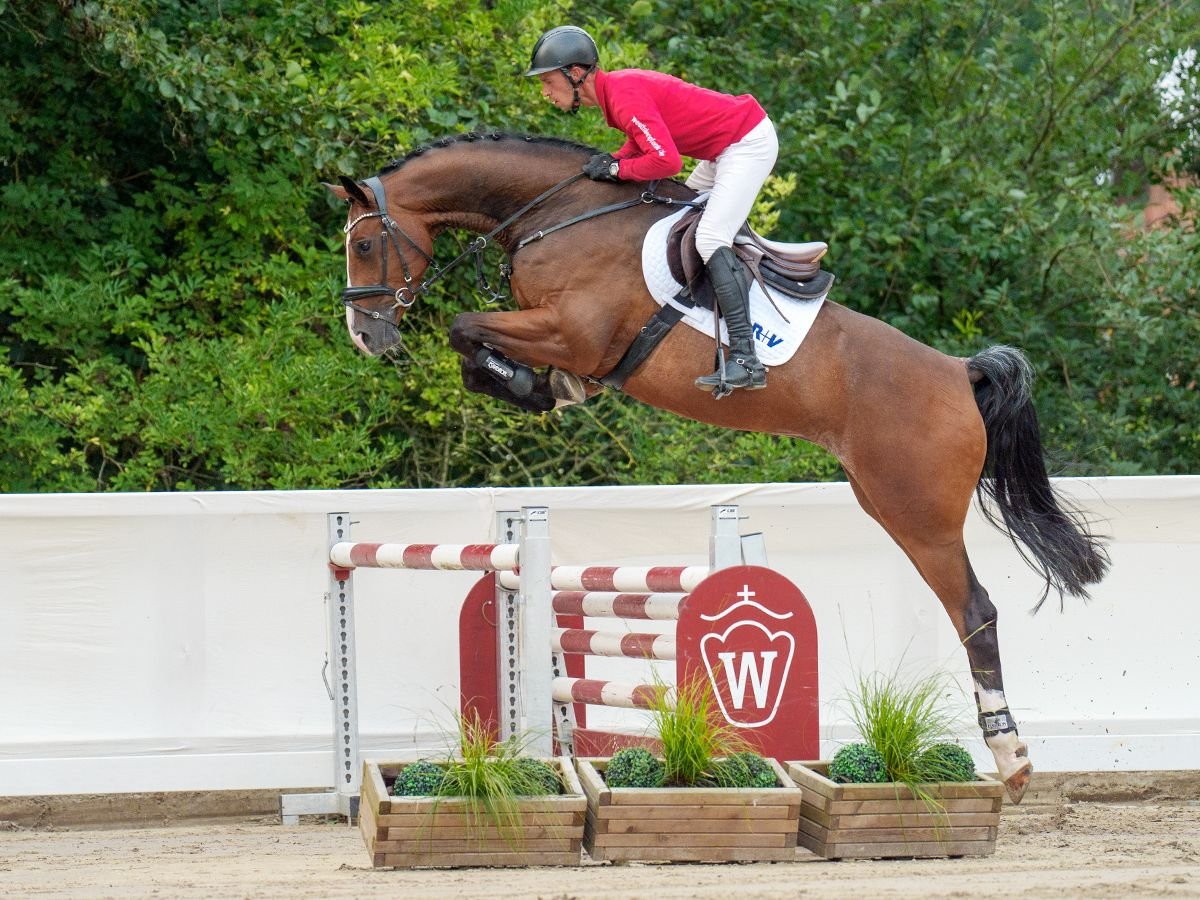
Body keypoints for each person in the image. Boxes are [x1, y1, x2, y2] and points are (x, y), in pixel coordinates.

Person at [525, 25, 778, 393]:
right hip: (723, 148)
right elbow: (642, 143)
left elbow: (666, 161)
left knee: (709, 236)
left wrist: (617, 168)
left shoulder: (624, 94)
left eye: (548, 81)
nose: (546, 92)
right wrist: (614, 160)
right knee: (677, 218)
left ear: (575, 73)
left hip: (746, 142)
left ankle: (745, 357)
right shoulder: (619, 93)